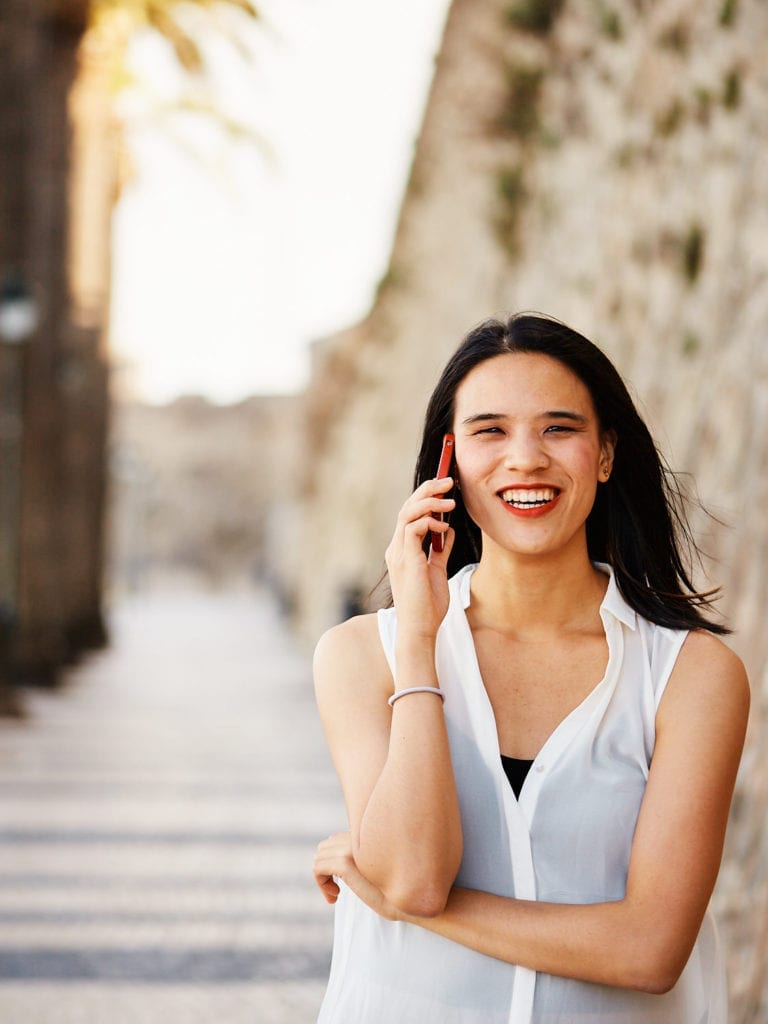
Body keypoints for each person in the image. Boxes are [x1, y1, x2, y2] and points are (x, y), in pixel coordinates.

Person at [312, 313, 749, 1023]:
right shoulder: (365, 655)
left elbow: (649, 949)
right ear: (447, 464)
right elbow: (416, 875)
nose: (525, 458)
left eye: (559, 428)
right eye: (489, 431)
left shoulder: (690, 675)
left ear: (605, 453)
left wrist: (391, 895)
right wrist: (421, 641)